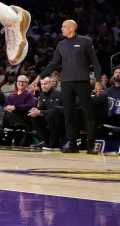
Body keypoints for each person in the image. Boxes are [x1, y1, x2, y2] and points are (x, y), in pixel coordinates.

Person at [31, 20, 102, 154]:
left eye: (64, 27)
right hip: (66, 83)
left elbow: (95, 62)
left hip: (82, 81)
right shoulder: (61, 44)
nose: (61, 29)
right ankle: (72, 144)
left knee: (88, 113)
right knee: (68, 114)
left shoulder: (85, 41)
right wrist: (40, 76)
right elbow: (53, 64)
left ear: (72, 28)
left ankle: (91, 145)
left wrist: (98, 81)